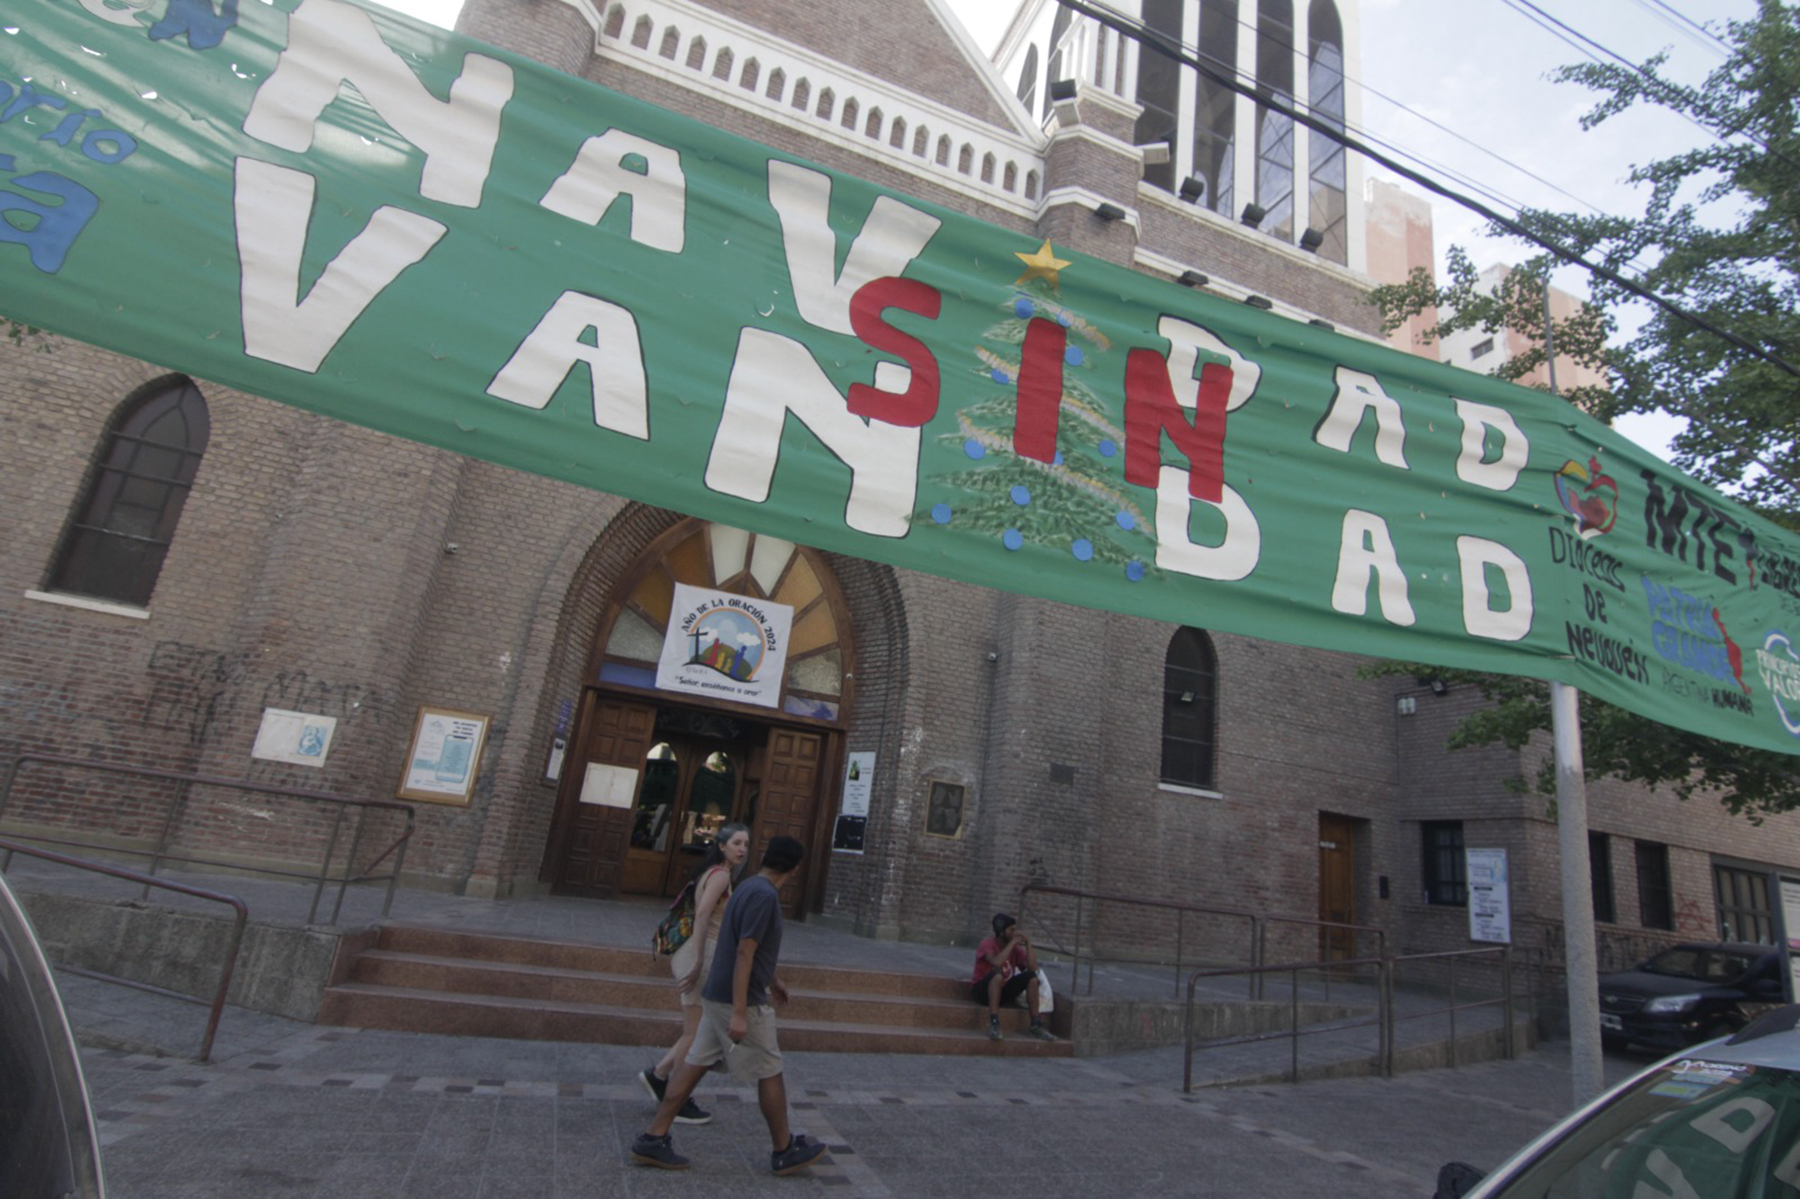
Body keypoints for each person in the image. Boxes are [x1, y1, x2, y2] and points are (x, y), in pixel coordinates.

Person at [630, 835, 831, 1176]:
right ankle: (783, 1149)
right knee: (769, 1069)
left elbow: (742, 941)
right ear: (796, 868)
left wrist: (773, 978)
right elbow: (744, 951)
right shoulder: (764, 896)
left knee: (694, 1063)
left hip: (717, 992)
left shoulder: (749, 886)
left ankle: (653, 1137)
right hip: (739, 999)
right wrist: (740, 1011)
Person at [638, 822, 749, 1125]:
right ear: (722, 845)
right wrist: (699, 959)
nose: (742, 850)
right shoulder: (722, 875)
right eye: (737, 843)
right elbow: (702, 915)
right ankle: (666, 1083)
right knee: (695, 1031)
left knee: (697, 1029)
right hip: (701, 952)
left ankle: (661, 1077)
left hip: (697, 952)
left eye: (745, 845)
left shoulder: (711, 873)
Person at [971, 912, 1054, 1041]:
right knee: (997, 974)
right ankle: (994, 1023)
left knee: (1031, 977)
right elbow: (997, 962)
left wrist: (1028, 943)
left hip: (1002, 992)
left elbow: (1033, 968)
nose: (1015, 933)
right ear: (1002, 932)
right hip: (982, 991)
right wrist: (1012, 943)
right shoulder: (987, 944)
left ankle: (1035, 1024)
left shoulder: (1015, 949)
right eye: (1011, 930)